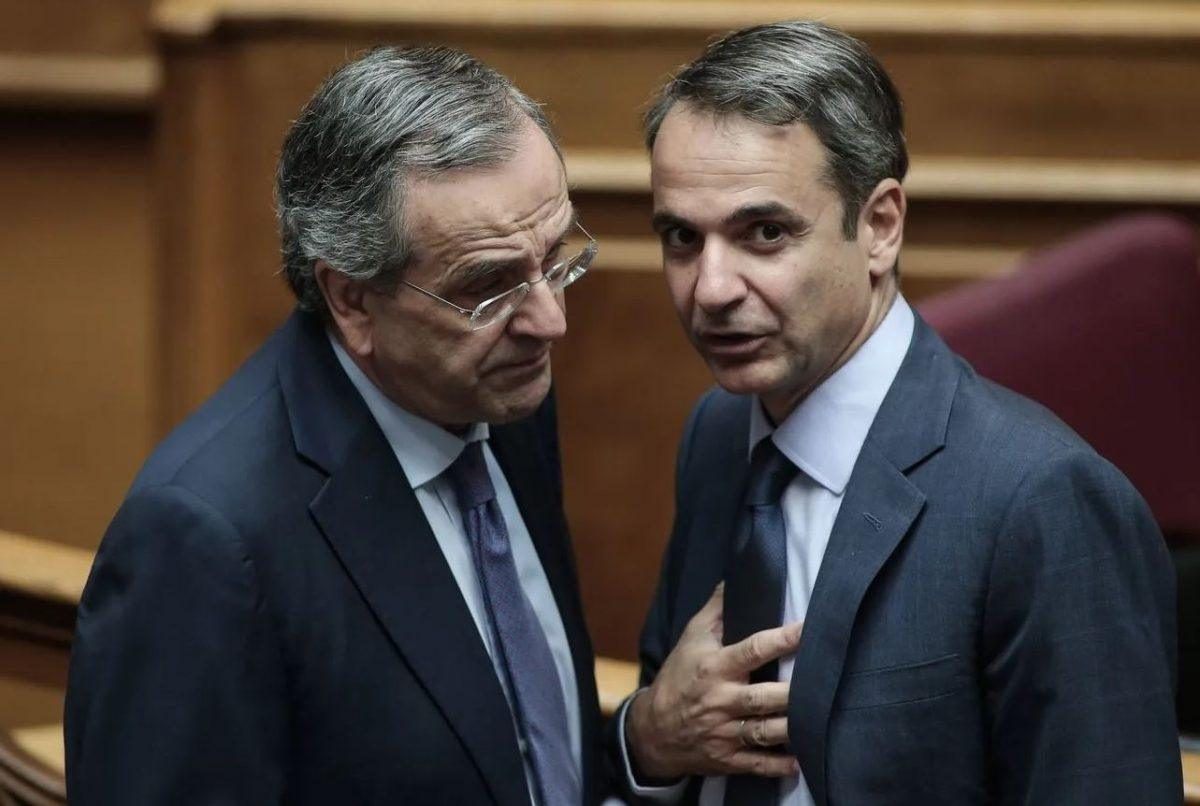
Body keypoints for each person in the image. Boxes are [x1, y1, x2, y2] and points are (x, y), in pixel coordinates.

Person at [612, 20, 1182, 805]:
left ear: (879, 226)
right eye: (681, 238)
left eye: (765, 233)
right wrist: (649, 741)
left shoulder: (1042, 499)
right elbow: (674, 719)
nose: (710, 289)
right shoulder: (716, 433)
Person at [66, 45, 606, 805]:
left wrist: (641, 745)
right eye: (489, 287)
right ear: (351, 300)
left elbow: (514, 752)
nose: (550, 321)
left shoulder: (497, 393)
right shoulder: (204, 542)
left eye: (554, 260)